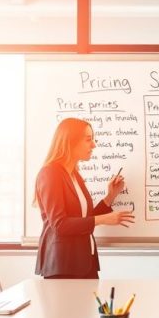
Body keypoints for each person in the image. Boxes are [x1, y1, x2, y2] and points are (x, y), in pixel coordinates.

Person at [34, 118, 134, 279]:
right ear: (70, 142)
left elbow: (83, 220)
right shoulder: (50, 173)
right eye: (88, 139)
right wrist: (103, 219)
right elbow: (60, 224)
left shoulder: (74, 175)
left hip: (84, 263)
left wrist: (110, 196)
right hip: (63, 267)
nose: (93, 145)